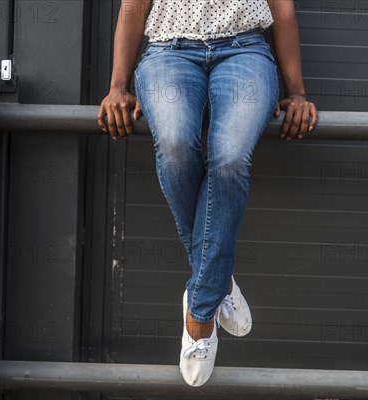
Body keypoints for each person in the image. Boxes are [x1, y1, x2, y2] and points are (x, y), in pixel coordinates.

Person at [97, 0, 317, 387]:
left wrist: (296, 92)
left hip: (246, 51)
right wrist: (118, 86)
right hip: (168, 52)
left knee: (230, 157)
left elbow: (283, 12)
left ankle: (199, 313)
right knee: (177, 146)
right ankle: (217, 281)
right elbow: (133, 9)